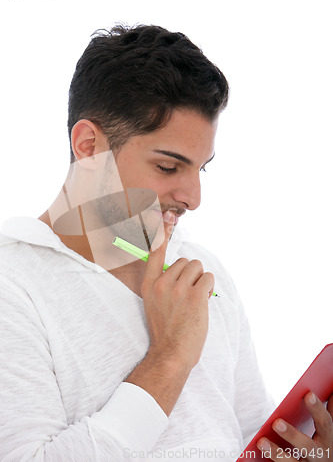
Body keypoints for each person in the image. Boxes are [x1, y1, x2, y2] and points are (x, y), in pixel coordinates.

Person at [0, 24, 331, 462]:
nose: (193, 198)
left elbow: (245, 439)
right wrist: (172, 355)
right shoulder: (13, 284)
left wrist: (302, 456)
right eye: (168, 167)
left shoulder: (202, 270)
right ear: (88, 145)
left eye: (201, 169)